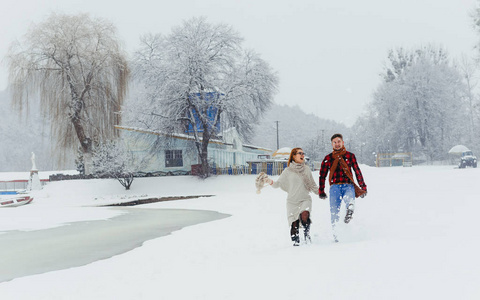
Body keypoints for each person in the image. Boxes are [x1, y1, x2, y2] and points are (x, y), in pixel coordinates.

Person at [259, 147, 319, 246]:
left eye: (303, 153)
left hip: (305, 199)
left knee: (305, 216)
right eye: (300, 153)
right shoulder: (287, 171)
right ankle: (296, 245)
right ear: (294, 156)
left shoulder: (306, 169)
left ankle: (307, 237)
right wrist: (269, 181)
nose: (302, 155)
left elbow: (312, 184)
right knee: (294, 225)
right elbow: (277, 184)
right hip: (292, 202)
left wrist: (321, 192)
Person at [319, 134, 367, 241]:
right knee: (334, 213)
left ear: (343, 142)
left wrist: (363, 186)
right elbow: (322, 175)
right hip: (334, 188)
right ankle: (337, 237)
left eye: (339, 141)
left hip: (348, 185)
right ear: (332, 144)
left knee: (349, 201)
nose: (337, 144)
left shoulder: (350, 156)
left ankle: (349, 210)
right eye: (334, 142)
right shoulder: (328, 158)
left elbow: (357, 171)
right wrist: (321, 190)